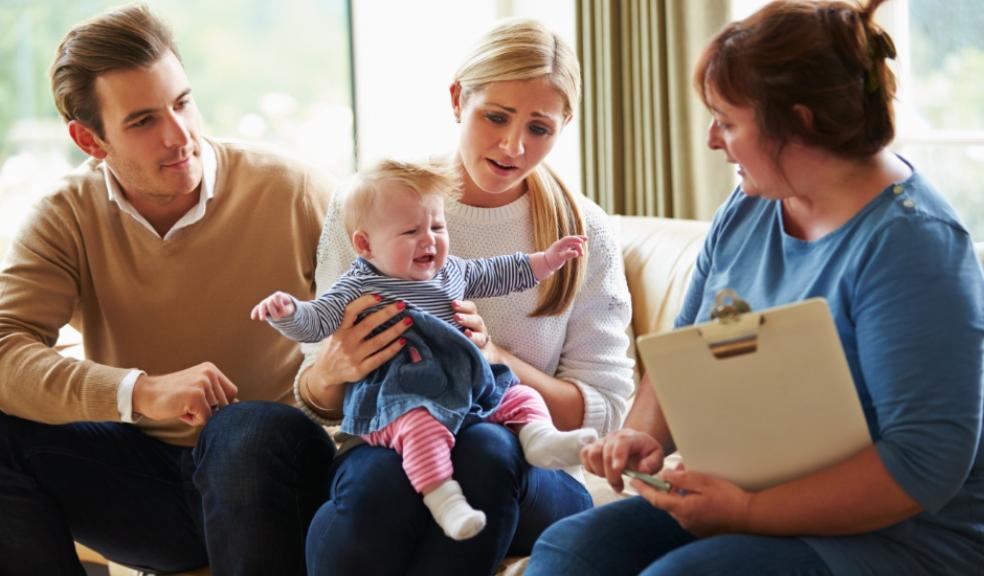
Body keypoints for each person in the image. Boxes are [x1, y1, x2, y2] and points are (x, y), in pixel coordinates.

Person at [526, 0, 984, 574]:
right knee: (571, 550)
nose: (713, 140)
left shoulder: (913, 247)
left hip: (901, 537)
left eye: (728, 120)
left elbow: (922, 466)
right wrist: (642, 439)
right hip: (750, 497)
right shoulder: (749, 208)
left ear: (800, 121)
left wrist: (747, 510)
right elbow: (683, 355)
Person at [0, 5, 342, 575]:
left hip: (279, 472)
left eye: (182, 103)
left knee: (240, 427)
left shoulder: (294, 189)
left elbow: (380, 299)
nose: (179, 136)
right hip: (150, 488)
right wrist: (139, 392)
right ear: (90, 139)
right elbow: (5, 348)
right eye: (142, 122)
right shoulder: (65, 217)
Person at [294, 18, 636, 575]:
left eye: (540, 128)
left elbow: (605, 408)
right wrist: (333, 369)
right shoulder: (374, 209)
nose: (513, 145)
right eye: (495, 117)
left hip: (530, 470)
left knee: (486, 448)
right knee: (381, 479)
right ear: (458, 99)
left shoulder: (584, 232)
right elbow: (320, 397)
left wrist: (496, 359)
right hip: (398, 441)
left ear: (565, 124)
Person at [252, 158, 597, 541]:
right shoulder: (357, 285)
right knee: (421, 429)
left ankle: (540, 440)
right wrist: (287, 312)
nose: (429, 240)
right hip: (400, 396)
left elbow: (500, 272)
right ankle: (443, 498)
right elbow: (315, 321)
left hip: (465, 382)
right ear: (365, 245)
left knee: (519, 393)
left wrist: (548, 261)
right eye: (411, 231)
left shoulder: (451, 272)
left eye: (436, 226)